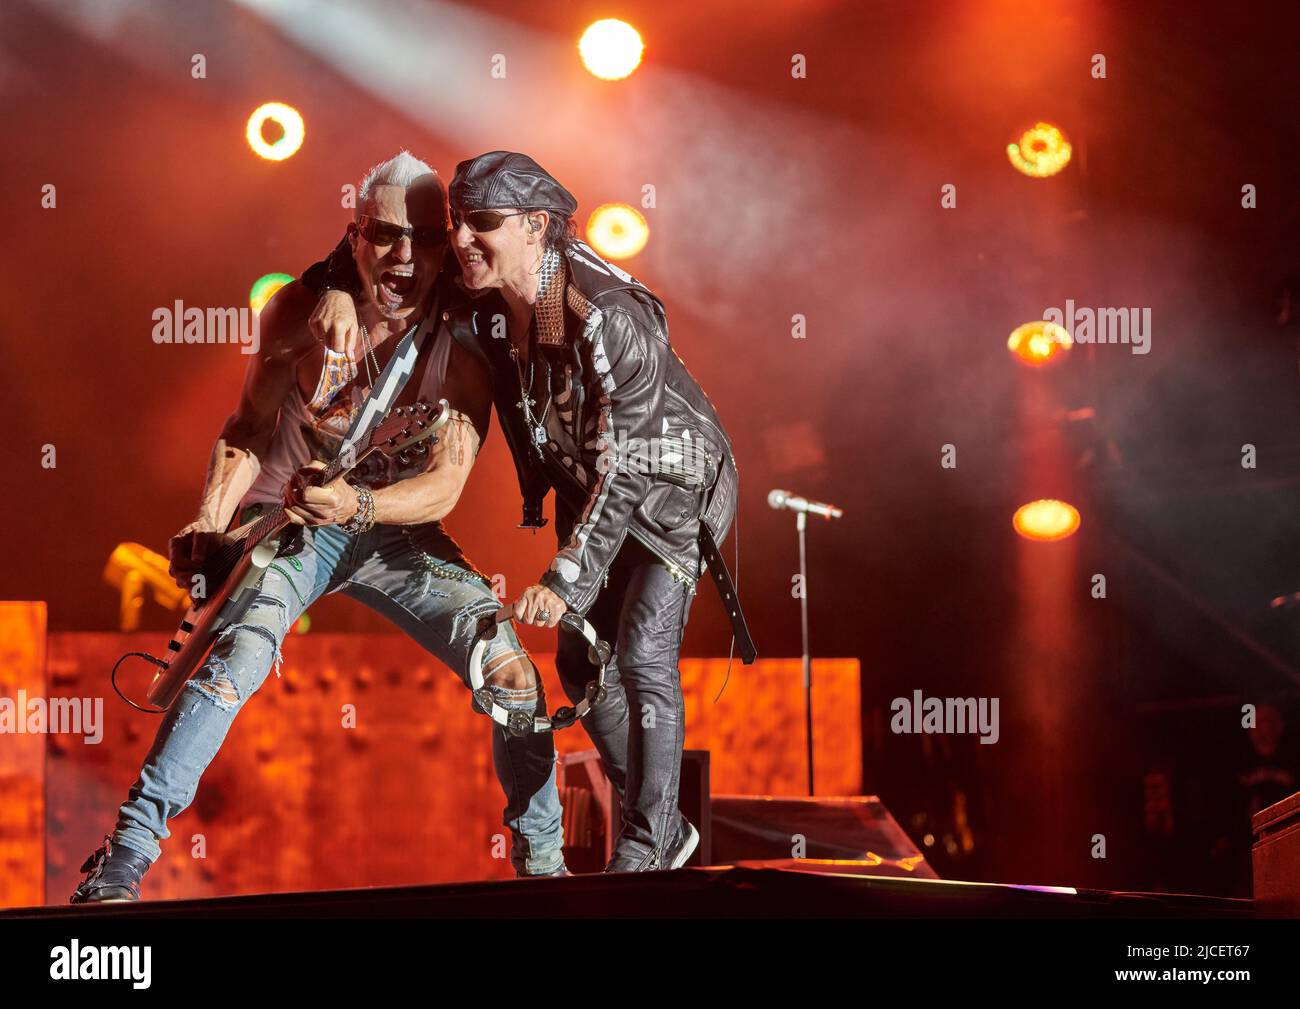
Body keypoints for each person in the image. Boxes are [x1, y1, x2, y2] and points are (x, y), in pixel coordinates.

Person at [70, 152, 567, 903]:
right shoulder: (295, 315)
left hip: (394, 529)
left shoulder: (463, 337)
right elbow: (246, 427)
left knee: (510, 673)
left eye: (426, 240)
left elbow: (445, 482)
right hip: (288, 530)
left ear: (447, 244)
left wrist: (359, 508)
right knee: (231, 664)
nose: (406, 258)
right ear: (355, 237)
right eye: (386, 236)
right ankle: (121, 864)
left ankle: (547, 872)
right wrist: (209, 521)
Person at [309, 151, 753, 872]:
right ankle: (659, 824)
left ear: (537, 227)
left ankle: (648, 841)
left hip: (673, 482)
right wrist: (331, 284)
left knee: (641, 653)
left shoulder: (609, 315)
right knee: (583, 669)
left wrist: (569, 575)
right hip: (594, 477)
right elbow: (381, 252)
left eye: (483, 223)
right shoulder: (482, 283)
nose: (459, 240)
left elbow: (632, 460)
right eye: (459, 223)